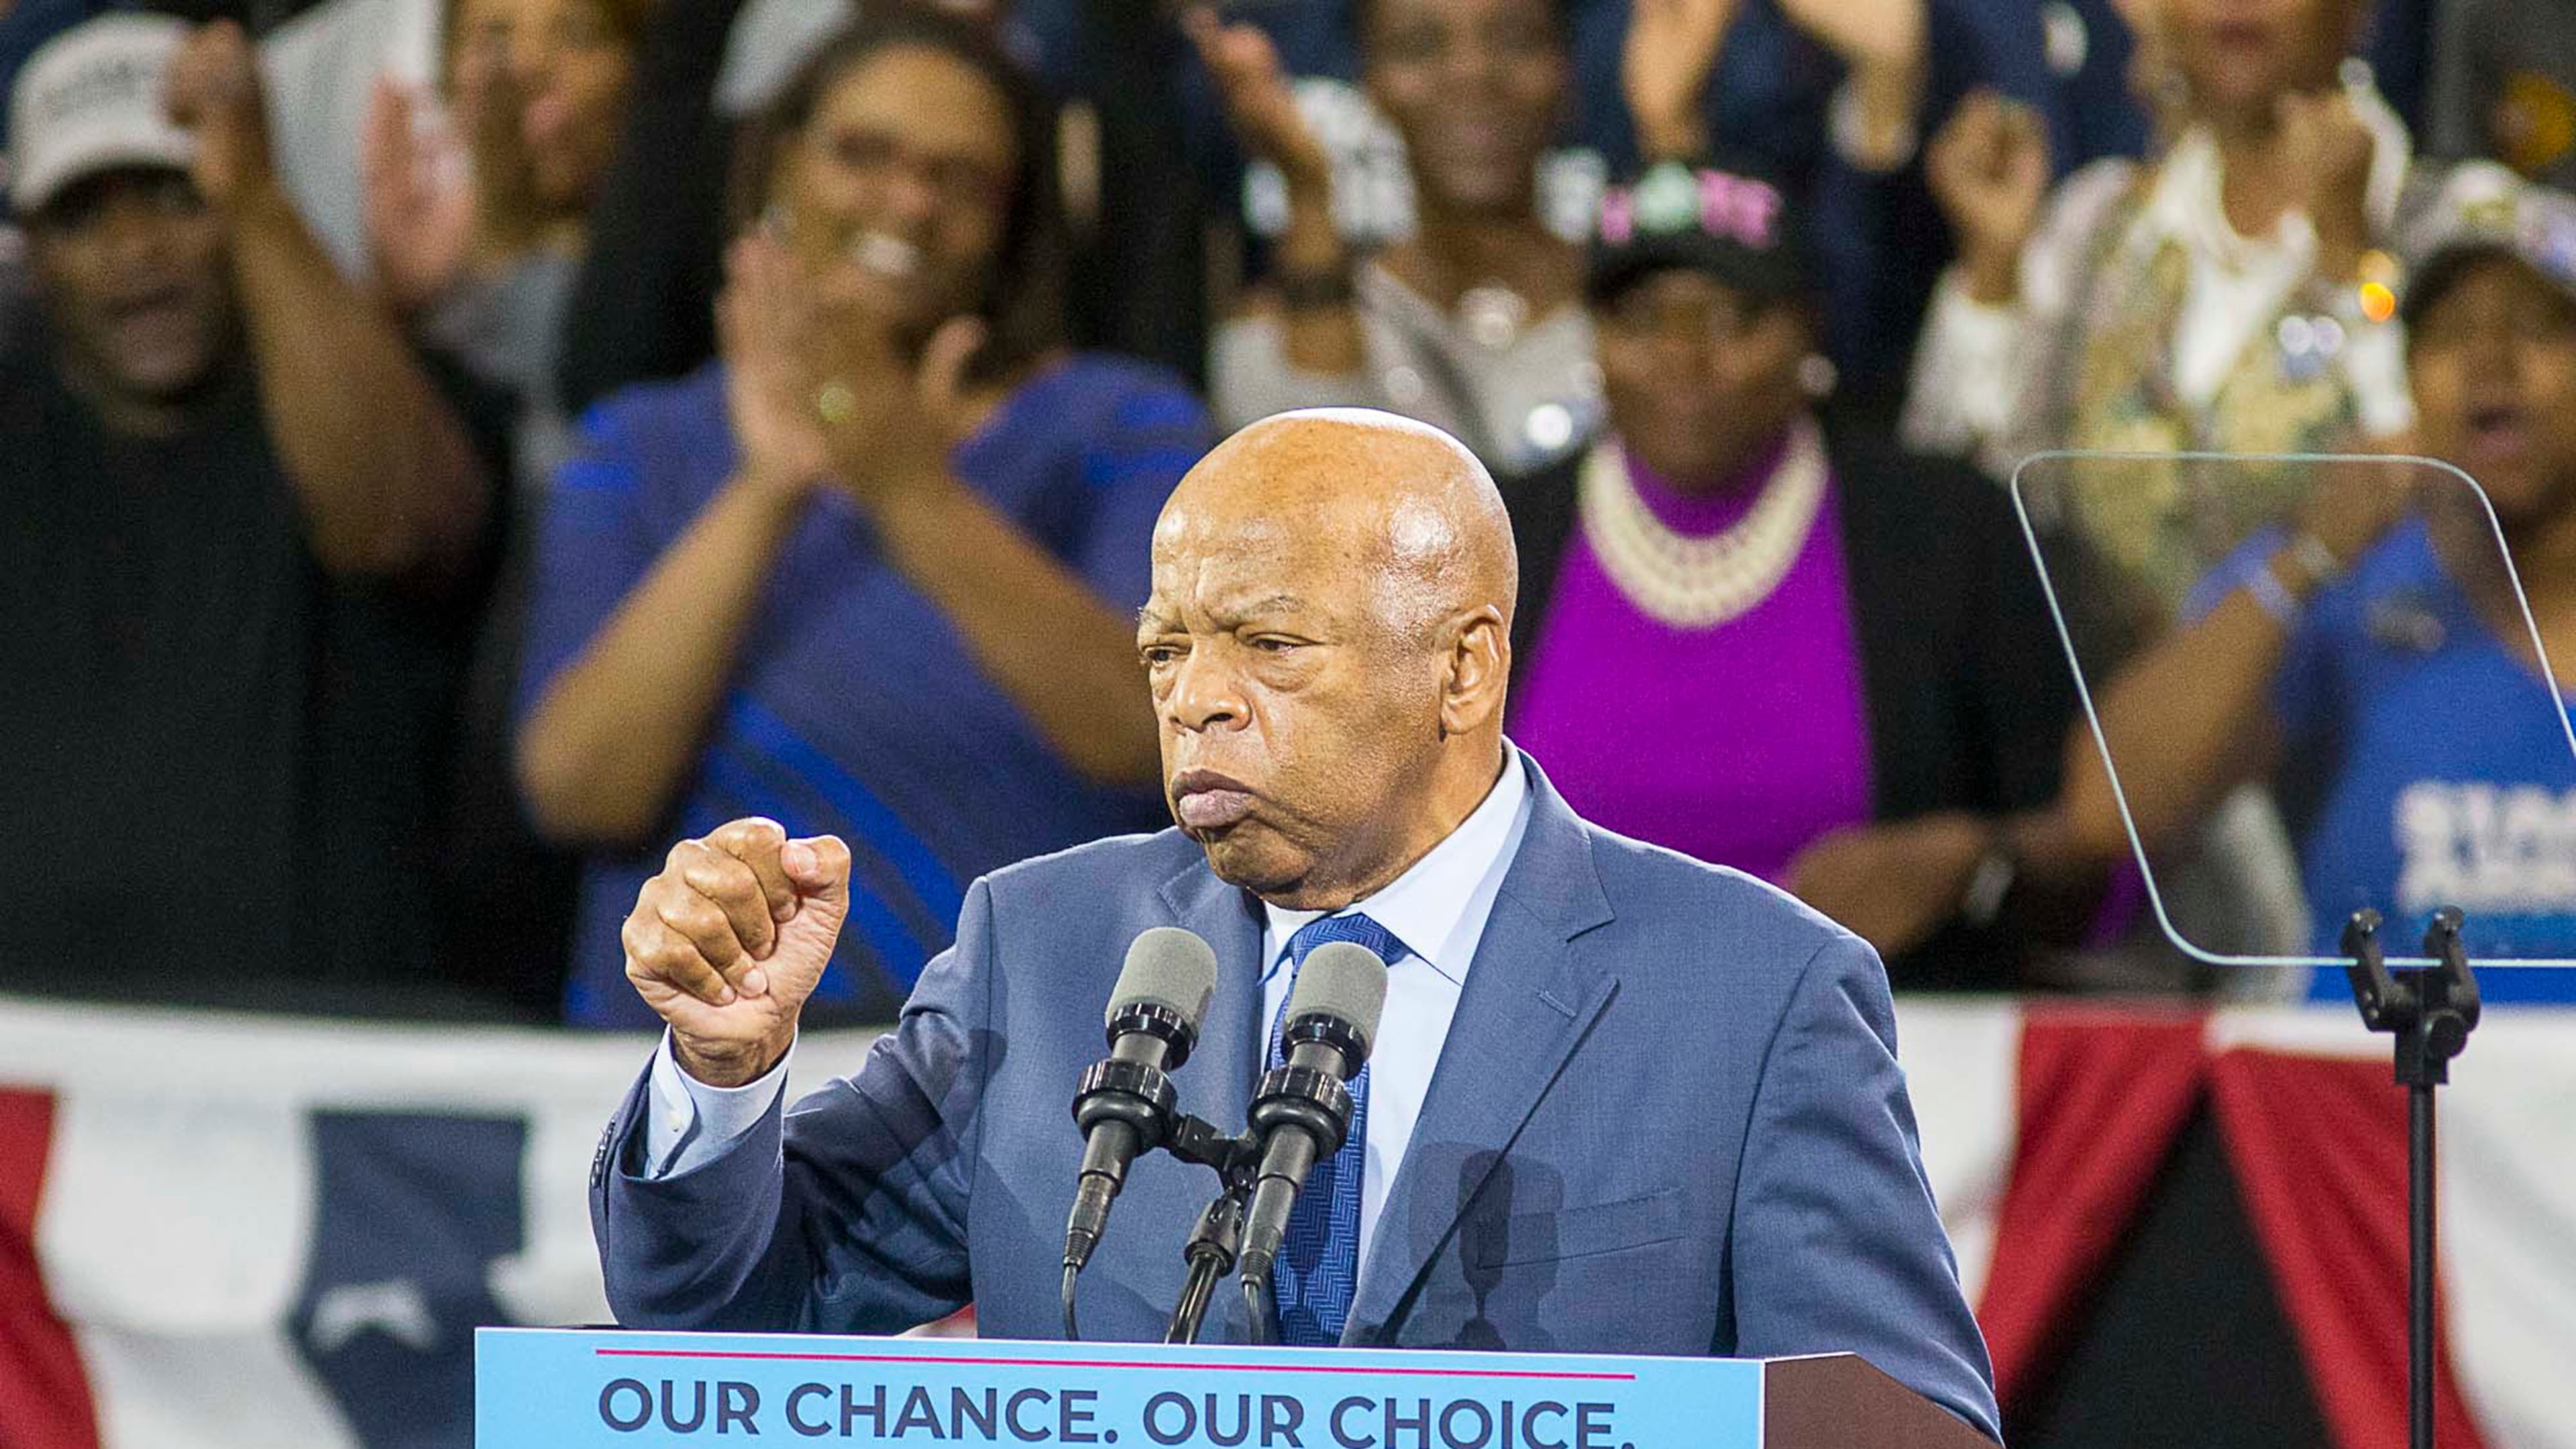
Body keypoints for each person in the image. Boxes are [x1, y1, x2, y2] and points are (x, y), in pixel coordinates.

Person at [586, 407, 2003, 1439]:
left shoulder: (1756, 996)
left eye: (1268, 644)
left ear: (1463, 668)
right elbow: (724, 1326)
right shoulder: (1045, 950)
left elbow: (1898, 1428)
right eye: (1165, 649)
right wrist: (724, 1073)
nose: (1195, 698)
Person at [514, 9, 1210, 1028]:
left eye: (961, 178)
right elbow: (580, 790)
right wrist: (772, 485)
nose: (910, 201)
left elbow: (1155, 740)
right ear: (778, 166)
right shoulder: (638, 446)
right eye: (862, 154)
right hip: (703, 1064)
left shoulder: (1125, 429)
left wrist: (906, 486)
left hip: (1026, 1060)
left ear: (1014, 220)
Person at [0, 15, 504, 1009]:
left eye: (178, 196)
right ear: (38, 256)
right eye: (84, 216)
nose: (137, 249)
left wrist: (255, 197)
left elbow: (397, 525)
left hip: (319, 1073)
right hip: (40, 1073)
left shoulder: (382, 401)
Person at [1499, 159, 2098, 989]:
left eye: (1732, 318)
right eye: (1642, 319)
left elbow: (2088, 862)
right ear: (1594, 339)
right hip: (1553, 1044)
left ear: (1808, 331)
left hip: (1883, 1042)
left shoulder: (1947, 530)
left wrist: (1974, 860)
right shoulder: (1497, 536)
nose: (1683, 355)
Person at [2064, 167, 2576, 1006]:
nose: (2490, 362)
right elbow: (2106, 811)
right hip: (2374, 1082)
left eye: (2537, 327)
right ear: (2408, 381)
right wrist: (2305, 559)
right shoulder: (2340, 582)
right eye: (2448, 333)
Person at [1903, 0, 2439, 604]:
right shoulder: (2101, 228)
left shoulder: (2450, 223)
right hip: (2111, 664)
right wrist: (1993, 274)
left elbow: (2431, 490)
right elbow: (1975, 505)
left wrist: (2354, 267)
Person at [1191, 0, 1599, 473]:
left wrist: (1665, 133)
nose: (1471, 73)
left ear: (1567, 69)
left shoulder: (1633, 306)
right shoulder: (1285, 331)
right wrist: (1308, 193)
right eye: (1418, 46)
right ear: (1370, 84)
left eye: (1515, 40)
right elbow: (1313, 487)